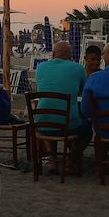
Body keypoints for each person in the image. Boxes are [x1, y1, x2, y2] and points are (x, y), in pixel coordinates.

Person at [35, 40, 92, 175]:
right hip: (67, 126)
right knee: (88, 128)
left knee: (49, 121)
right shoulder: (77, 68)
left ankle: (53, 161)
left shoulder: (41, 67)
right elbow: (85, 92)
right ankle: (70, 161)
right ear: (70, 55)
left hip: (41, 124)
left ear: (53, 53)